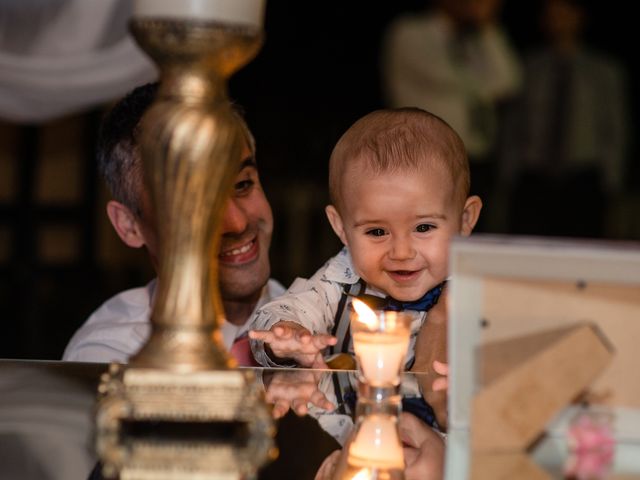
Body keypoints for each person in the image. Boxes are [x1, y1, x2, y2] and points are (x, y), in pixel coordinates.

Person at [62, 82, 284, 365]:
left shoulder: (318, 320)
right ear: (129, 225)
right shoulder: (110, 360)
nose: (237, 223)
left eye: (242, 184)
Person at [249, 107, 482, 373]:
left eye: (424, 227)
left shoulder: (480, 297)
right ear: (341, 228)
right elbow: (283, 310)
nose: (402, 252)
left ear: (465, 220)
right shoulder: (340, 280)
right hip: (354, 413)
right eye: (377, 232)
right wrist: (288, 335)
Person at [381, 0, 521, 231]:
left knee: (470, 238)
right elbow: (451, 78)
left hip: (473, 157)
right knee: (427, 234)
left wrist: (488, 27)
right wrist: (486, 86)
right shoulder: (410, 32)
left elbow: (508, 82)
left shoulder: (474, 40)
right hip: (422, 156)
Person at [499, 0, 629, 238]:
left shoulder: (604, 70)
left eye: (563, 13)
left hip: (584, 175)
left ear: (578, 17)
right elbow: (514, 123)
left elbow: (614, 127)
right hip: (533, 174)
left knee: (583, 244)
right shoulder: (528, 66)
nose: (557, 20)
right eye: (551, 14)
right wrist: (509, 170)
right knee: (529, 242)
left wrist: (612, 178)